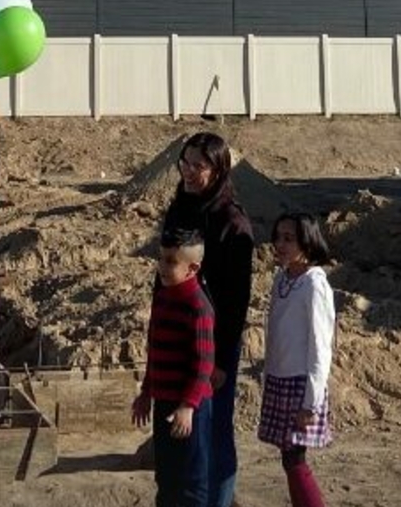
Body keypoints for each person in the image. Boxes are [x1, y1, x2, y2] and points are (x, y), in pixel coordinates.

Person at [160, 132, 254, 507]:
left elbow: (236, 300)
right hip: (175, 337)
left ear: (217, 171)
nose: (189, 171)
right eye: (185, 162)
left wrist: (220, 359)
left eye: (199, 165)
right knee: (181, 435)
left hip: (212, 344)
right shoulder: (180, 208)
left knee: (212, 433)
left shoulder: (232, 222)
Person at [133, 228, 216, 507]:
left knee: (191, 482)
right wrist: (146, 392)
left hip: (190, 410)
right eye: (161, 259)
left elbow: (203, 363)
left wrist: (188, 406)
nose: (163, 267)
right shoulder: (163, 298)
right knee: (166, 479)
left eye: (171, 261)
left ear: (193, 268)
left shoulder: (197, 307)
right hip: (164, 405)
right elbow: (154, 351)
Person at [258, 213, 335, 507]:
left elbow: (320, 346)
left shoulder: (314, 285)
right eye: (278, 237)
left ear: (307, 241)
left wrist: (310, 402)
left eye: (289, 239)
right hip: (280, 378)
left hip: (301, 384)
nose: (280, 244)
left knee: (294, 458)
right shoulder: (282, 279)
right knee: (288, 458)